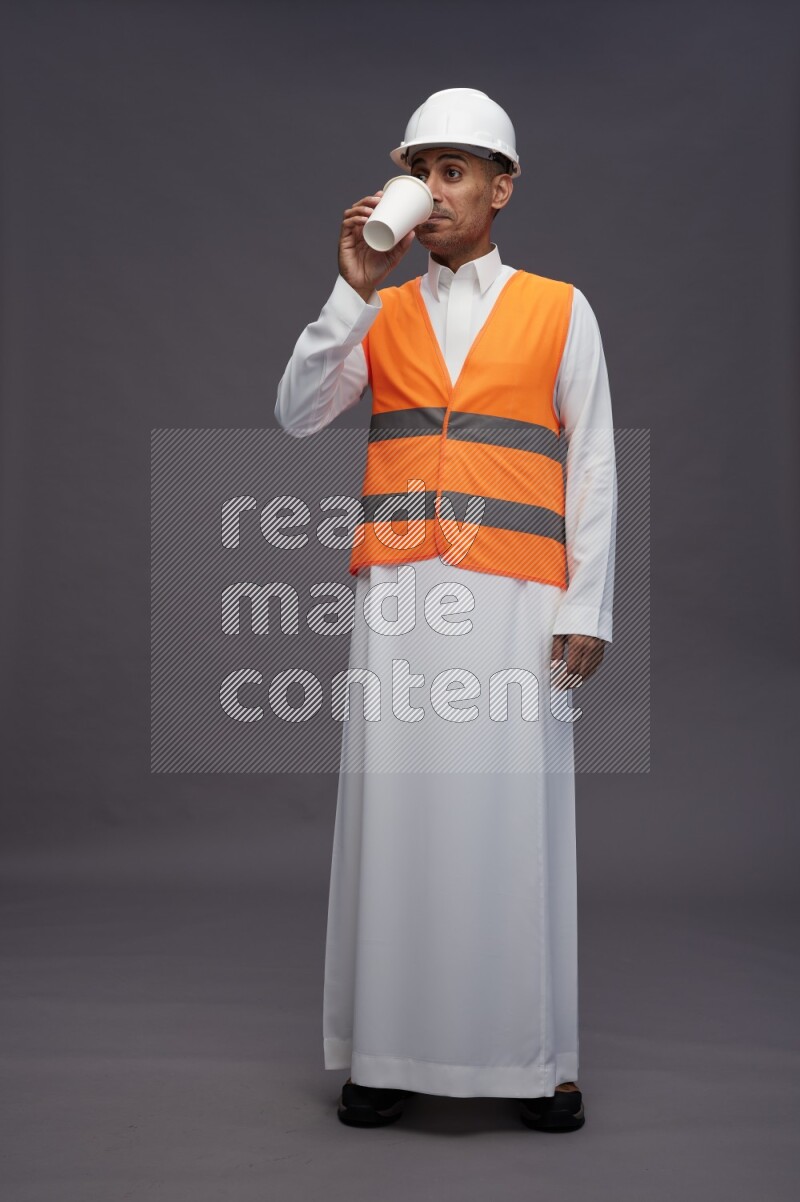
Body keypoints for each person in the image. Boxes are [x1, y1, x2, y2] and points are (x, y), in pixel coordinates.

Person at [275, 87, 617, 1133]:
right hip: (400, 593)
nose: (432, 189)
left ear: (501, 187)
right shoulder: (377, 307)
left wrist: (587, 605)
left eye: (454, 169)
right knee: (398, 810)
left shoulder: (561, 307)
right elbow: (295, 414)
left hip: (517, 593)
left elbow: (593, 462)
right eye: (420, 169)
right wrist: (349, 290)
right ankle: (385, 1049)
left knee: (512, 819)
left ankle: (536, 1057)